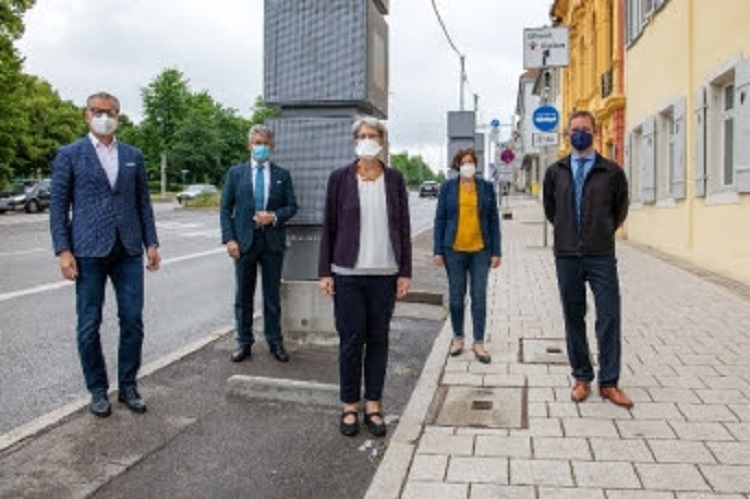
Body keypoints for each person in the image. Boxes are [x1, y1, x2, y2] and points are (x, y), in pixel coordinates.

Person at [49, 91, 161, 418]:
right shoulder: (69, 154)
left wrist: (151, 243)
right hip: (87, 250)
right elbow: (58, 208)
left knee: (132, 320)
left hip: (127, 249)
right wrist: (63, 250)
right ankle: (97, 390)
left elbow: (143, 203)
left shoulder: (133, 156)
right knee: (88, 324)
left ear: (119, 117)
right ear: (87, 115)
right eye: (97, 111)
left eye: (110, 112)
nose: (104, 117)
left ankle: (128, 386)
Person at [318, 116, 412, 438]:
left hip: (385, 273)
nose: (367, 139)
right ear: (355, 141)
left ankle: (373, 404)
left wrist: (405, 271)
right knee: (350, 341)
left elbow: (403, 228)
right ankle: (349, 405)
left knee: (378, 341)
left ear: (382, 141)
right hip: (347, 274)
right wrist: (324, 272)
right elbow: (328, 226)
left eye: (373, 135)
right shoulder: (339, 179)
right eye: (362, 135)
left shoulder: (395, 180)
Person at [543, 110, 632, 408]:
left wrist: (603, 231)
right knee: (573, 316)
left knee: (609, 316)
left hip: (601, 255)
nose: (580, 133)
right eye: (574, 129)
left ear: (594, 132)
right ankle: (582, 377)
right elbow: (551, 209)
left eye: (585, 128)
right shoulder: (556, 172)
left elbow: (620, 209)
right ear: (568, 135)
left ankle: (609, 382)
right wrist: (568, 232)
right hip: (567, 255)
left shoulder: (611, 172)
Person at [220, 125, 298, 364]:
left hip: (272, 243)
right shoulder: (236, 173)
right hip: (244, 244)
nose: (260, 147)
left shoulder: (282, 175)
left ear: (271, 146)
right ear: (249, 145)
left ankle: (275, 341)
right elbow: (225, 208)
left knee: (271, 296)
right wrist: (230, 239)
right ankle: (244, 343)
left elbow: (291, 206)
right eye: (256, 142)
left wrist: (273, 217)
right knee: (243, 296)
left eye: (264, 143)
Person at [433, 148, 502, 364]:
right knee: (456, 297)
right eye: (464, 161)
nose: (468, 165)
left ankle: (479, 342)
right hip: (453, 251)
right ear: (457, 165)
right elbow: (440, 220)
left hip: (481, 251)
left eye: (471, 161)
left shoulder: (486, 188)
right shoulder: (447, 188)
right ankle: (458, 338)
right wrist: (437, 250)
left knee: (479, 297)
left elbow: (493, 221)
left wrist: (496, 251)